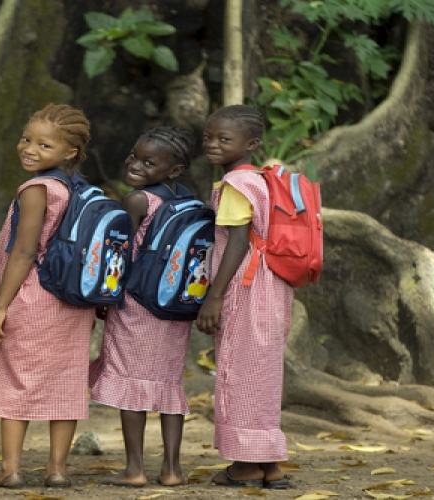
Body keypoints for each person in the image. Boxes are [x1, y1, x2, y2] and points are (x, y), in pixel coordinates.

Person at [0, 103, 95, 489]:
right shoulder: (79, 190)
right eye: (26, 139)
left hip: (32, 296)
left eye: (44, 145)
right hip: (70, 301)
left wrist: (0, 306)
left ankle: (11, 469)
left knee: (19, 381)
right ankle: (57, 469)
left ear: (69, 152)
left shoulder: (37, 188)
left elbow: (24, 251)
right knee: (64, 380)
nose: (29, 148)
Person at [89, 126, 198, 487]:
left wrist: (105, 298)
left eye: (148, 161)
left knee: (131, 385)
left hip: (136, 306)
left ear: (175, 169)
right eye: (134, 155)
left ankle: (135, 468)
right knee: (168, 386)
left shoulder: (138, 201)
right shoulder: (187, 201)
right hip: (174, 309)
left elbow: (118, 255)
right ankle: (172, 469)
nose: (135, 164)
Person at [196, 104, 292, 490]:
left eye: (224, 139)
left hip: (245, 288)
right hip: (273, 287)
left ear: (251, 143)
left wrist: (213, 297)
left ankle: (246, 466)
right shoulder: (262, 179)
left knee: (239, 371)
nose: (213, 144)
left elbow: (237, 242)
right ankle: (270, 464)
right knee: (262, 373)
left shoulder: (237, 184)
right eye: (209, 137)